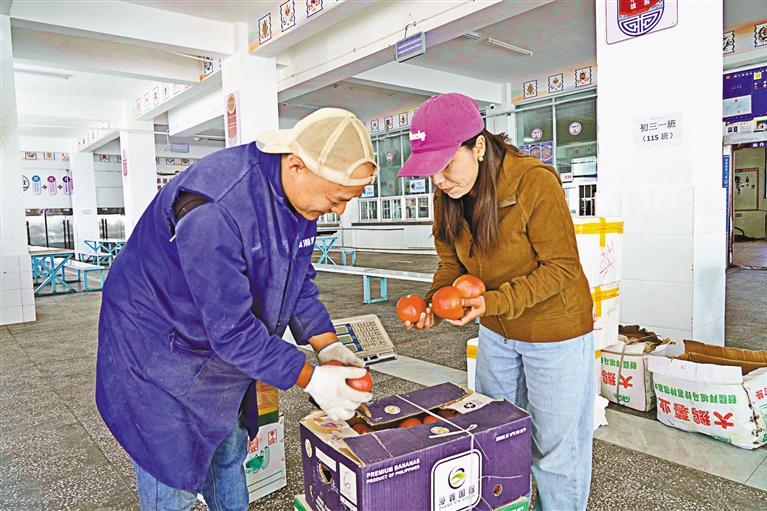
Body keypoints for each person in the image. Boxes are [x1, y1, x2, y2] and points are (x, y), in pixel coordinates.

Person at [96, 108, 377, 511]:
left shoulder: (302, 201)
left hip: (217, 341)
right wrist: (312, 379)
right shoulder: (215, 209)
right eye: (337, 198)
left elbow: (295, 279)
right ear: (296, 166)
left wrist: (327, 344)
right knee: (173, 477)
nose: (340, 210)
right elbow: (232, 332)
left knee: (227, 450)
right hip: (158, 348)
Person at [398, 93, 594, 511]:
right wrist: (435, 302)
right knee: (493, 435)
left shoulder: (534, 182)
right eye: (431, 170)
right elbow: (450, 263)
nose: (439, 180)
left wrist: (492, 302)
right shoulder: (448, 193)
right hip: (497, 333)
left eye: (447, 164)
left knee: (554, 451)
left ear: (479, 146)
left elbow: (562, 268)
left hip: (553, 332)